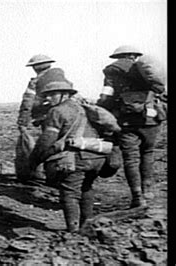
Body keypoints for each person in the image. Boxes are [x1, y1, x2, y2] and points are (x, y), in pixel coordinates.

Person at [28, 68, 107, 232]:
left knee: (69, 193)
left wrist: (35, 159)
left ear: (64, 94)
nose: (48, 98)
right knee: (87, 188)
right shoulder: (85, 106)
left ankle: (73, 230)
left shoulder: (56, 111)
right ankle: (87, 224)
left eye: (52, 94)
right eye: (46, 95)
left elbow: (46, 140)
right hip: (97, 155)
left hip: (77, 158)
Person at [97, 45, 165, 208]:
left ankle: (137, 196)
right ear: (134, 56)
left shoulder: (112, 72)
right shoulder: (146, 72)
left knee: (131, 159)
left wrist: (102, 108)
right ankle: (147, 190)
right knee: (147, 153)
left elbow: (107, 96)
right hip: (150, 119)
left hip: (127, 122)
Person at [17, 54, 55, 130]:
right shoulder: (62, 79)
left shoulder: (35, 83)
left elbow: (27, 103)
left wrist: (23, 123)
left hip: (49, 117)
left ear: (35, 68)